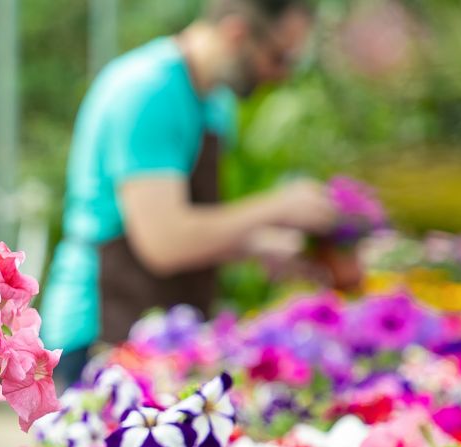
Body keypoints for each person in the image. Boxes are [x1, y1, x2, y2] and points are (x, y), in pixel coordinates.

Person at [41, 0, 341, 389]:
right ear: (238, 33)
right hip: (99, 334)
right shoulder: (148, 91)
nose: (283, 75)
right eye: (281, 56)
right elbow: (166, 242)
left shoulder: (214, 101)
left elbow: (189, 225)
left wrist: (259, 245)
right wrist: (279, 207)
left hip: (155, 331)